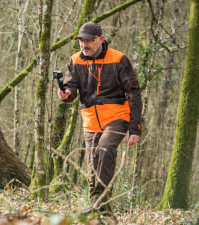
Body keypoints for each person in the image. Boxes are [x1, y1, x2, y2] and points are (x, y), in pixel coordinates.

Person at [58, 22, 142, 213]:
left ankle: (99, 205)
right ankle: (100, 211)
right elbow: (72, 89)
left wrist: (135, 127)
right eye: (81, 41)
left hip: (117, 117)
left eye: (89, 41)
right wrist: (66, 94)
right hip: (90, 121)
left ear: (100, 40)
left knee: (105, 148)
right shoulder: (75, 60)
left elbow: (134, 93)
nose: (84, 45)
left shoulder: (119, 59)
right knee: (93, 167)